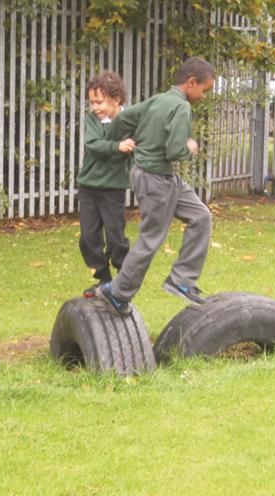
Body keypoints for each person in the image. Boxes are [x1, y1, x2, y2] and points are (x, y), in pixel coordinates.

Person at [95, 57, 215, 316]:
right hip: (154, 178)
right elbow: (174, 150)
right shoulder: (181, 108)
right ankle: (117, 293)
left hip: (161, 177)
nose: (204, 96)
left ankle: (182, 279)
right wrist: (189, 148)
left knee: (201, 215)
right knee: (151, 239)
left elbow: (123, 119)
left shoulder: (159, 99)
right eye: (204, 90)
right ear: (191, 82)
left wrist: (113, 140)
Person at [77, 71, 135, 298]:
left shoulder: (130, 119)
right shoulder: (93, 120)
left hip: (113, 190)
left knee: (115, 236)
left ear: (117, 99)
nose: (94, 107)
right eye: (92, 102)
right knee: (88, 236)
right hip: (89, 187)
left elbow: (143, 139)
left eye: (99, 102)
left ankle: (123, 277)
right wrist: (117, 147)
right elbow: (94, 145)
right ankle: (102, 277)